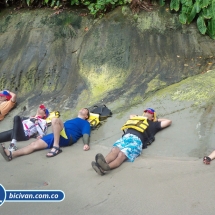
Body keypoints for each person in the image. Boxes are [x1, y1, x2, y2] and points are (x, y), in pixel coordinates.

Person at [91, 108, 172, 176]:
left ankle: (105, 168)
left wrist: (156, 120)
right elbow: (131, 115)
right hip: (126, 137)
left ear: (153, 116)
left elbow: (168, 121)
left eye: (150, 112)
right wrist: (141, 117)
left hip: (137, 141)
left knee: (121, 154)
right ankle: (101, 164)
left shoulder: (154, 124)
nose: (147, 113)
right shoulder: (136, 119)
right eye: (145, 111)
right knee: (115, 150)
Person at [0, 108, 91, 161]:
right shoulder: (71, 120)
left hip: (68, 136)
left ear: (86, 116)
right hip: (56, 135)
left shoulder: (85, 123)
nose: (83, 109)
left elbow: (86, 134)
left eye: (85, 110)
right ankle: (11, 154)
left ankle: (56, 147)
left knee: (55, 119)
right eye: (82, 108)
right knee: (33, 144)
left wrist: (86, 144)